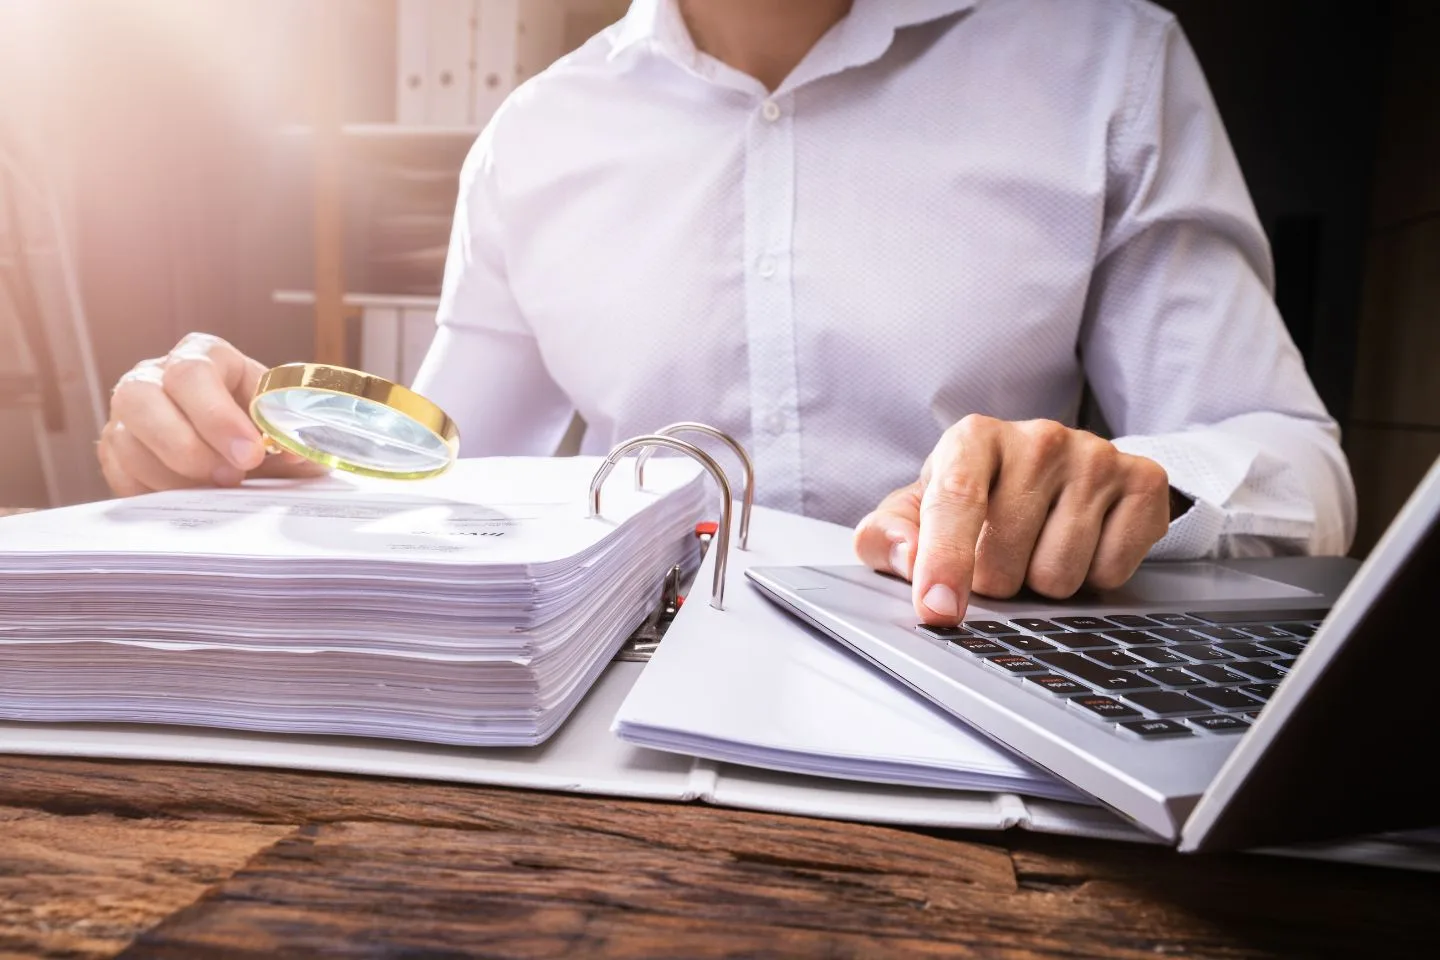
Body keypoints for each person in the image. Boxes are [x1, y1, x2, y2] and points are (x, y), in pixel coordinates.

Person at [98, 0, 1356, 629]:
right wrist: (245, 461)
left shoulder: (1107, 61)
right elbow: (437, 474)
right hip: (606, 732)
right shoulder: (536, 136)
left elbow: (1296, 465)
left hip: (978, 681)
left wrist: (1134, 483)